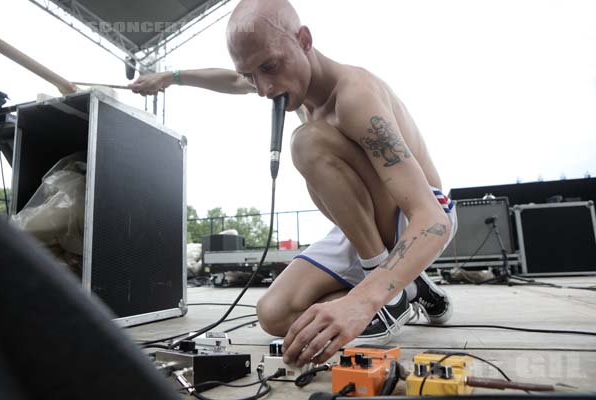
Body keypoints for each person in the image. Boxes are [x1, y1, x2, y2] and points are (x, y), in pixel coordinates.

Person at [129, 0, 458, 369]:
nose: (265, 89)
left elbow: (433, 220)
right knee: (275, 315)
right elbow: (231, 79)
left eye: (269, 67)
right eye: (253, 76)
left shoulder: (355, 96)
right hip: (364, 232)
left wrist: (363, 301)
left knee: (307, 141)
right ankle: (408, 285)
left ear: (304, 40)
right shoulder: (282, 81)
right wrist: (171, 77)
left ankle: (384, 287)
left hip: (416, 215)